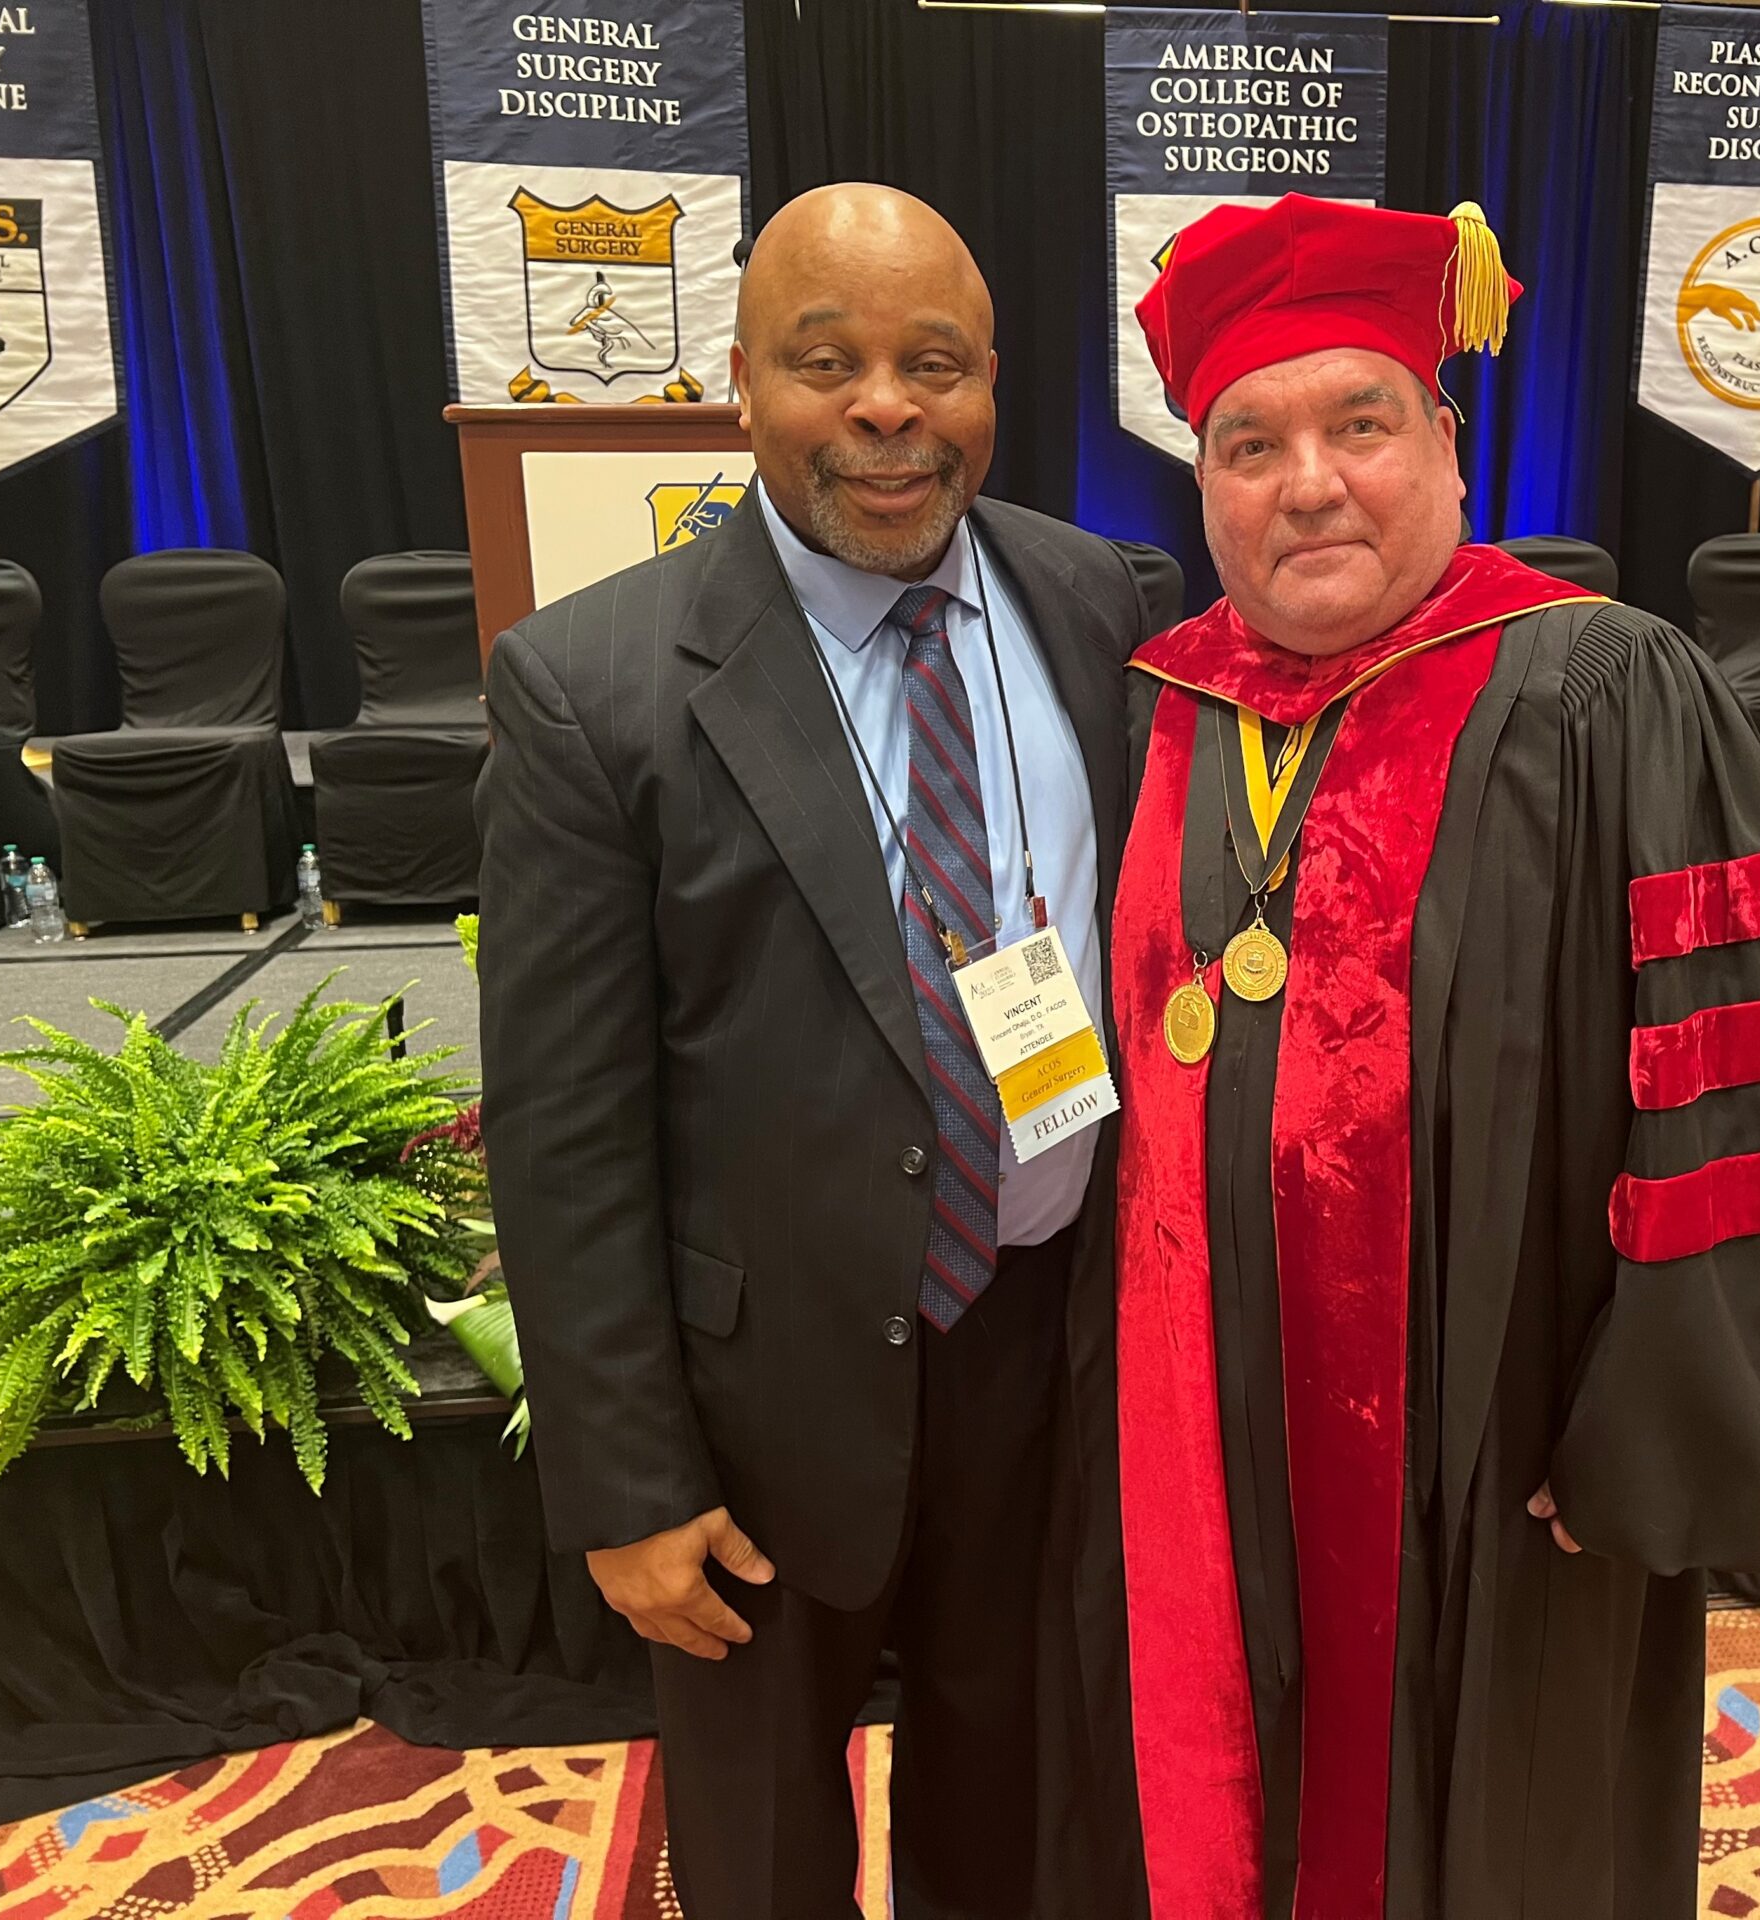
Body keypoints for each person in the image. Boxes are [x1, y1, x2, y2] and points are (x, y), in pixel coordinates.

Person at [1056, 194, 1760, 1916]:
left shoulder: (1604, 690)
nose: (1309, 482)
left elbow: (1745, 1086)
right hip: (1188, 1428)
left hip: (1496, 1443)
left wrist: (1645, 1427)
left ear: (1449, 447)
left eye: (1359, 424)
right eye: (1250, 444)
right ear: (1204, 487)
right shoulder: (1158, 705)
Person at [477, 182, 1157, 1920]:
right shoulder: (594, 686)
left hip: (1045, 1353)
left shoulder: (1098, 603)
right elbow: (563, 1129)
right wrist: (628, 1483)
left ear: (993, 384)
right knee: (767, 1850)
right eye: (826, 362)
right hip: (758, 1408)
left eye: (936, 364)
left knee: (1019, 1808)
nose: (885, 409)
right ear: (740, 385)